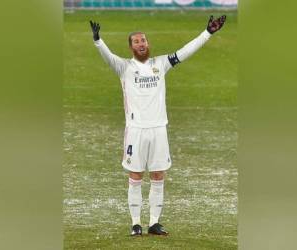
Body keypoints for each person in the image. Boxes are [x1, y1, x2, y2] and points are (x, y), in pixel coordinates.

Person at [89, 15, 226, 236]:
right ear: (131, 47)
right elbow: (108, 57)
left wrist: (207, 33)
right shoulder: (124, 67)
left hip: (159, 129)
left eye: (144, 40)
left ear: (148, 44)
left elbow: (185, 51)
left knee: (158, 176)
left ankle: (154, 223)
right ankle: (135, 223)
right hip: (135, 131)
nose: (142, 44)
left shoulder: (161, 64)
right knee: (135, 177)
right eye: (137, 41)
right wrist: (98, 41)